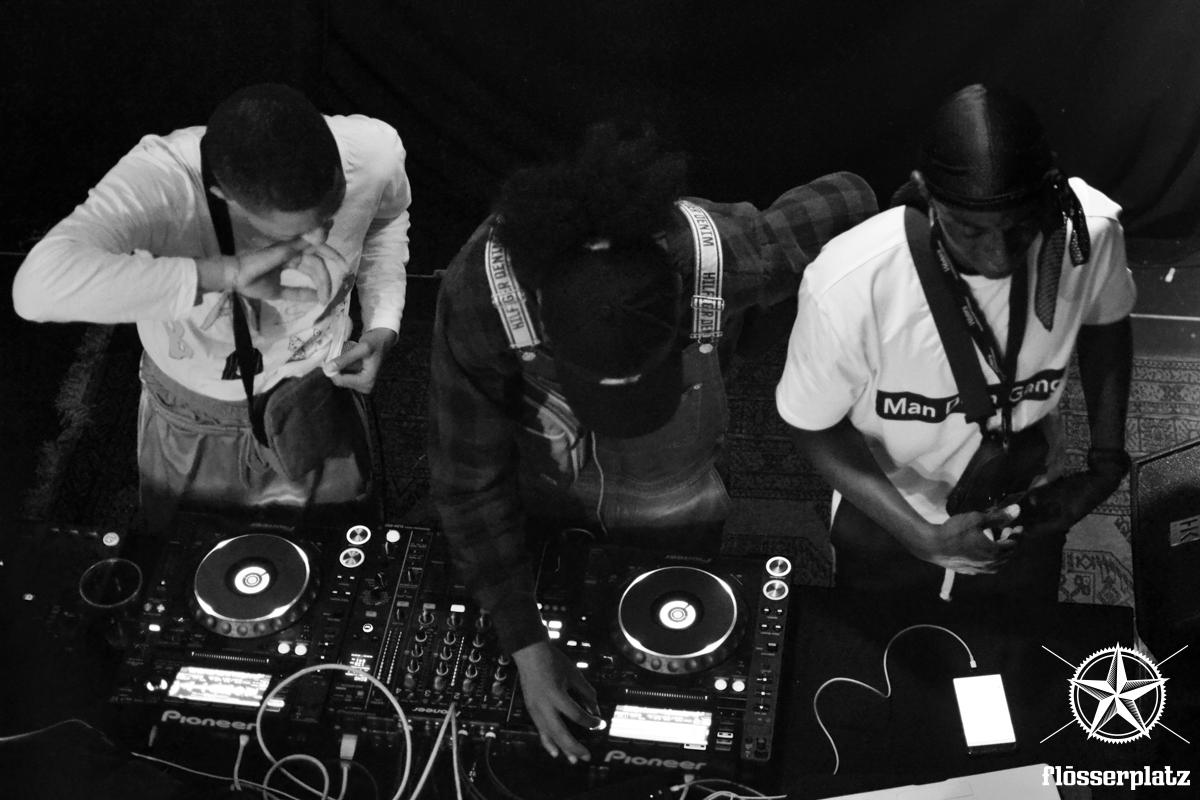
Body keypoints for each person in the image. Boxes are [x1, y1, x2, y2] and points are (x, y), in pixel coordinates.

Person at [428, 122, 877, 762]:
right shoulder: (481, 296)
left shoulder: (719, 255)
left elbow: (852, 198)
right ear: (545, 327)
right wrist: (526, 644)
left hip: (678, 492)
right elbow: (467, 483)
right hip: (541, 490)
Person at [776, 84, 1135, 606]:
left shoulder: (1088, 234)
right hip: (891, 508)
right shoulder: (851, 284)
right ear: (927, 193)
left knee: (1016, 632)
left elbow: (1108, 323)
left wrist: (1105, 465)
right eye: (969, 230)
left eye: (1020, 227)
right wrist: (919, 536)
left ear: (1049, 191)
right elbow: (811, 424)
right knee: (878, 636)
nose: (998, 256)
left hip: (1027, 495)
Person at [13, 83, 410, 529]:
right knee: (185, 550)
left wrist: (382, 323)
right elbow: (37, 289)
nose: (319, 241)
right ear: (224, 197)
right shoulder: (163, 179)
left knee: (336, 543)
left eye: (330, 217)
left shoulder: (374, 153)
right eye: (292, 234)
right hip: (195, 412)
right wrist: (225, 274)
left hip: (317, 391)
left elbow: (386, 221)